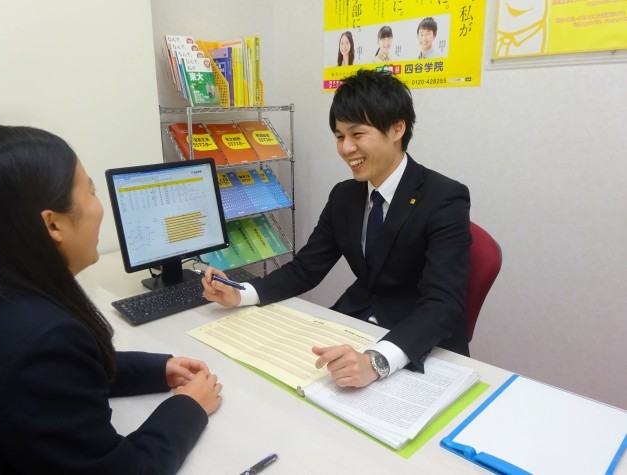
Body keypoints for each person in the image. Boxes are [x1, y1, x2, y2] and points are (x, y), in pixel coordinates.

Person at [0, 126, 223, 473]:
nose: (100, 208)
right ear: (53, 225)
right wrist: (188, 407)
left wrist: (158, 369)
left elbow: (59, 378)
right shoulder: (43, 340)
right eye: (92, 192)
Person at [202, 69, 471, 390]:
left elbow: (443, 304)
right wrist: (242, 293)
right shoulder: (345, 195)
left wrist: (377, 360)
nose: (345, 149)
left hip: (416, 345)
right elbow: (306, 268)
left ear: (397, 128)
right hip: (353, 326)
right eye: (339, 136)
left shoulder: (445, 197)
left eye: (357, 134)